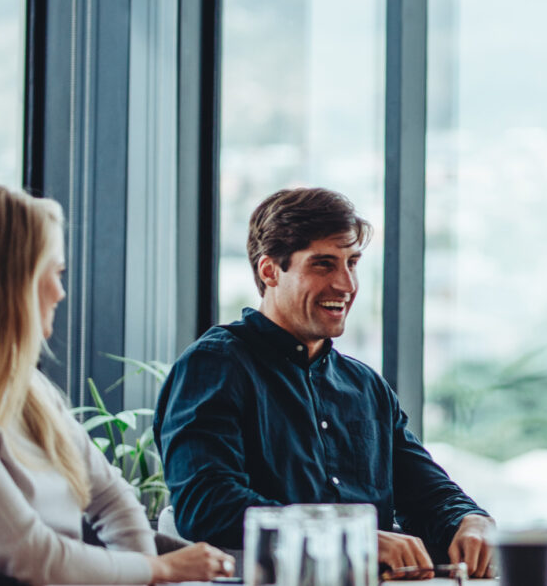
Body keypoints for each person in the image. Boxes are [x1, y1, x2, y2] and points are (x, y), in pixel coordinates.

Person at [154, 187, 495, 576]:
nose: (346, 285)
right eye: (323, 265)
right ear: (270, 271)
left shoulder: (365, 386)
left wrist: (470, 519)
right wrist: (350, 537)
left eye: (352, 263)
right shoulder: (215, 365)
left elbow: (427, 493)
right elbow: (208, 505)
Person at [0, 186, 233, 585]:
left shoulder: (28, 390)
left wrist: (143, 575)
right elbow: (33, 557)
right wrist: (157, 568)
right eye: (54, 273)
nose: (61, 291)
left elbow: (111, 497)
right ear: (11, 284)